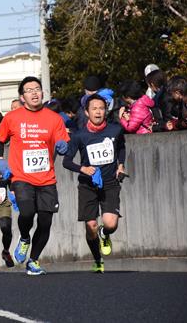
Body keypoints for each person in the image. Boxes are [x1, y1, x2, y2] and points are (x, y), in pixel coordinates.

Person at [0, 76, 70, 275]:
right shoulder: (12, 118)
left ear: (43, 93)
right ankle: (25, 238)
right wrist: (0, 161)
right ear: (22, 97)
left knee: (45, 222)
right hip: (21, 177)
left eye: (37, 89)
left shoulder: (54, 119)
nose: (34, 93)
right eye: (29, 90)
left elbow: (64, 141)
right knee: (27, 213)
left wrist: (63, 146)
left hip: (46, 178)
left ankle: (34, 260)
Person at [63, 94, 127, 273]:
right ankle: (98, 259)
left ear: (106, 111)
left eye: (101, 108)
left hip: (109, 183)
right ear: (87, 112)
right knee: (90, 225)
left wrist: (120, 164)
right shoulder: (79, 135)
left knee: (110, 224)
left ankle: (104, 234)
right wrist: (82, 169)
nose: (98, 112)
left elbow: (121, 147)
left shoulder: (115, 130)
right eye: (94, 109)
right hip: (87, 185)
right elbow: (66, 161)